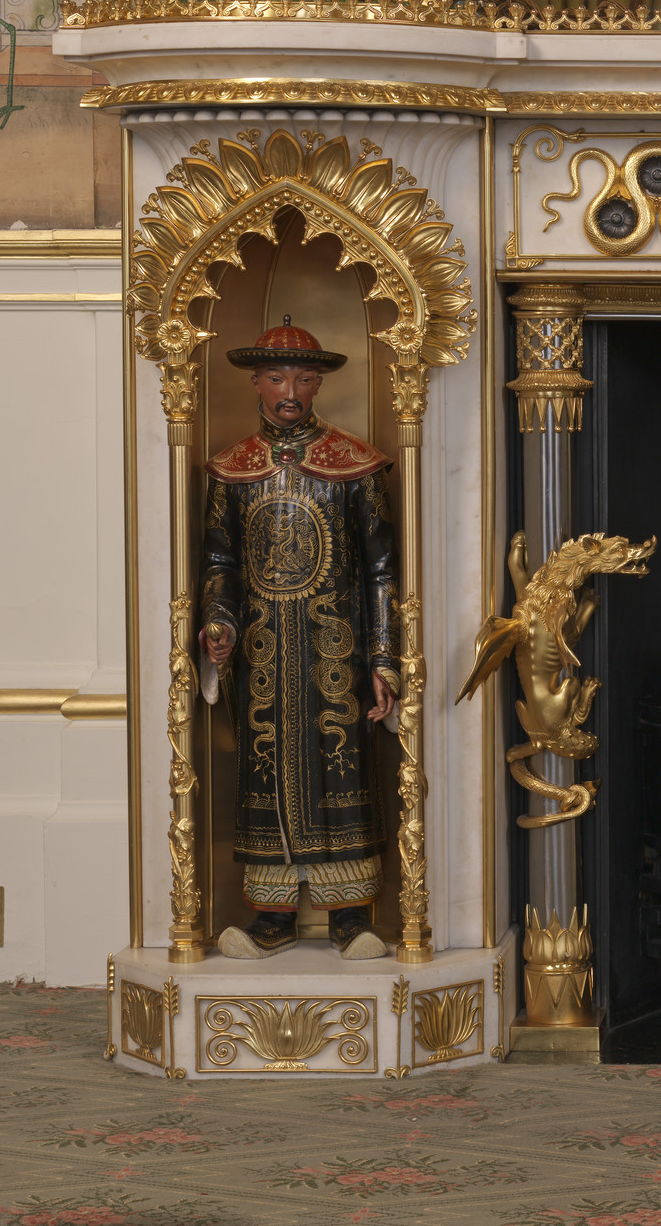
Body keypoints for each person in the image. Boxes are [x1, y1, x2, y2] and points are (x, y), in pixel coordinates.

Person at [200, 319, 399, 960]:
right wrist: (219, 624)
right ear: (256, 382)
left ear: (318, 385)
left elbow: (380, 569)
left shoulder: (354, 466)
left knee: (341, 764)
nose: (291, 390)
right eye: (279, 377)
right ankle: (273, 916)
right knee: (263, 764)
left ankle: (351, 914)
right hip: (262, 649)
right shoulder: (233, 470)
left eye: (304, 379)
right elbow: (219, 563)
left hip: (333, 647)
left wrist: (384, 657)